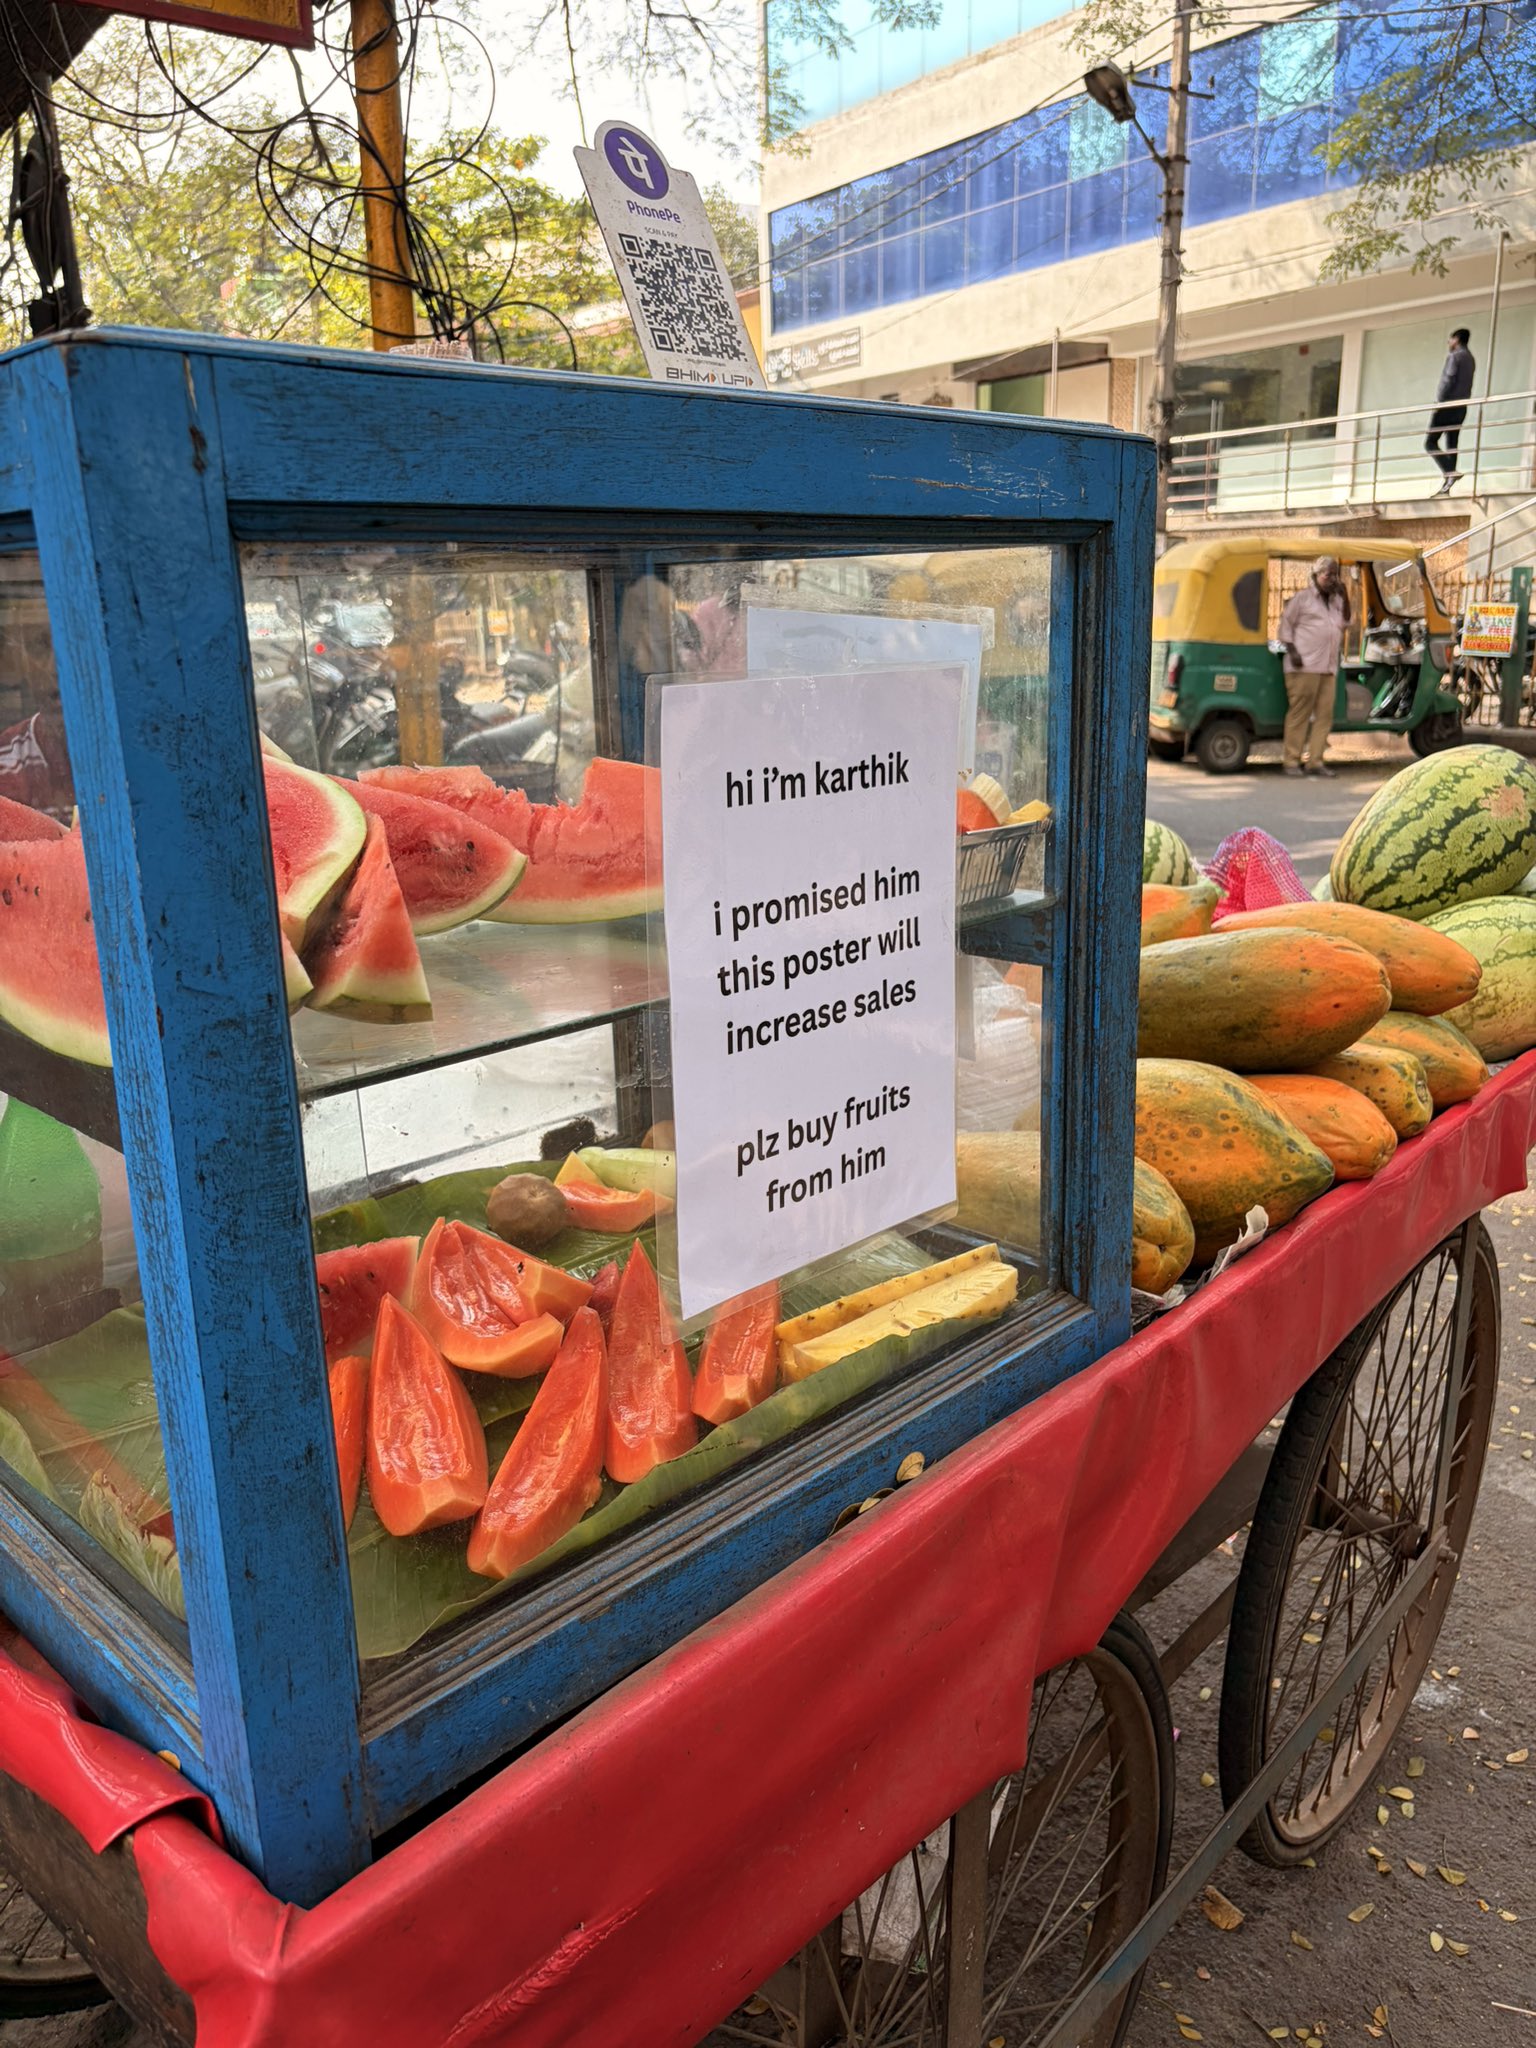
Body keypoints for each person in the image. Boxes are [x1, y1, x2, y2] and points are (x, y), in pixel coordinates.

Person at [1278, 556, 1350, 778]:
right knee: (1300, 714)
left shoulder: (1337, 600)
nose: (1331, 578)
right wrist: (1293, 652)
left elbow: (1346, 622)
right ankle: (1291, 761)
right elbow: (1284, 628)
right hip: (1304, 666)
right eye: (1327, 574)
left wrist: (1345, 594)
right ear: (1316, 576)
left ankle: (1315, 762)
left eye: (1335, 574)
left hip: (1328, 667)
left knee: (1324, 716)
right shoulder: (1303, 599)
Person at [1426, 327, 1476, 494]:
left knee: (1430, 442)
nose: (1449, 342)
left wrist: (1439, 403)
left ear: (1456, 339)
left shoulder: (1455, 356)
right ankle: (1448, 484)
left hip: (1447, 405)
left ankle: (1450, 472)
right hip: (1461, 407)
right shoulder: (1470, 358)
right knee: (1451, 443)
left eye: (1450, 339)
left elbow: (1448, 379)